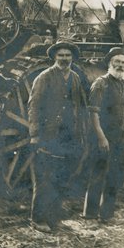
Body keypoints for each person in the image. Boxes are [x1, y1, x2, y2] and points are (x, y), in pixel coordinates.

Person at [27, 41, 89, 230]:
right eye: (60, 55)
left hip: (69, 136)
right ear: (54, 57)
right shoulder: (44, 77)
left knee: (62, 178)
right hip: (49, 135)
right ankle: (38, 219)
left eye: (67, 55)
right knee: (45, 179)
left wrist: (81, 133)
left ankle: (54, 218)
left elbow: (80, 106)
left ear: (73, 58)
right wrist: (35, 135)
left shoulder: (75, 78)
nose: (64, 59)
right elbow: (34, 106)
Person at [84, 47, 124, 222]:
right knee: (98, 174)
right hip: (104, 138)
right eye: (117, 61)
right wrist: (101, 137)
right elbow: (93, 113)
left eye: (123, 62)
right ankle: (90, 214)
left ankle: (106, 214)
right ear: (110, 63)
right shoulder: (101, 84)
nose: (120, 65)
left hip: (121, 138)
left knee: (115, 175)